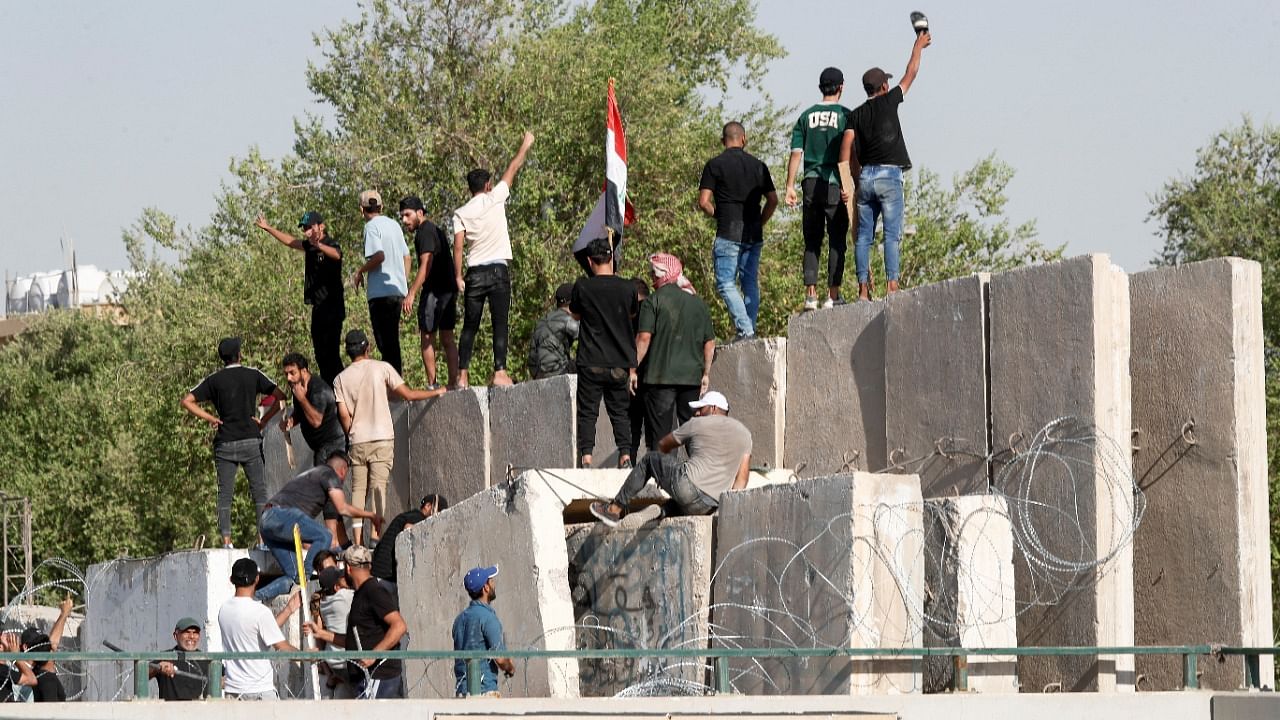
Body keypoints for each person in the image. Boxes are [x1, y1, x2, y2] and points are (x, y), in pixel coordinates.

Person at [840, 30, 932, 300]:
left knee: (863, 238)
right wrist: (918, 45)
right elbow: (911, 72)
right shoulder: (890, 101)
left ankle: (863, 290)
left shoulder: (855, 114)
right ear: (883, 88)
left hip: (865, 177)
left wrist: (851, 178)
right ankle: (892, 286)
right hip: (890, 176)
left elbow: (846, 149)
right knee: (891, 235)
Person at [334, 329, 444, 546]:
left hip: (357, 440)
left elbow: (344, 415)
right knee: (378, 487)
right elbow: (409, 395)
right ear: (368, 348)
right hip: (381, 437)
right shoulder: (381, 368)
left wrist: (353, 434)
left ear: (348, 352)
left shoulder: (340, 379)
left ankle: (357, 541)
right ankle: (375, 536)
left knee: (358, 489)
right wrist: (437, 391)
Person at [181, 337, 287, 549]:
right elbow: (281, 397)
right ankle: (262, 541)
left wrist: (211, 418)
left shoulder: (214, 380)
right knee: (259, 492)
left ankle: (227, 542)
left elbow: (187, 401)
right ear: (239, 354)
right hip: (250, 440)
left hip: (225, 443)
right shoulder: (253, 374)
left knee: (225, 494)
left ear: (222, 358)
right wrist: (264, 421)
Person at [590, 390, 751, 526]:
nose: (696, 413)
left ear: (714, 408)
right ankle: (660, 512)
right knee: (684, 503)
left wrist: (662, 473)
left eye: (701, 408)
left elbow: (664, 446)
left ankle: (613, 509)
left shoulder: (697, 423)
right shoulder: (744, 434)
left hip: (688, 486)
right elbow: (741, 480)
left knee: (650, 460)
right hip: (710, 504)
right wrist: (726, 513)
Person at [453, 131, 536, 388]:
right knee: (500, 322)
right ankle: (500, 372)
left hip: (475, 272)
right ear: (488, 185)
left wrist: (458, 276)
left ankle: (462, 375)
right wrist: (525, 144)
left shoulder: (461, 212)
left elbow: (458, 247)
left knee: (470, 325)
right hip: (498, 270)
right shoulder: (496, 197)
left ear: (470, 188)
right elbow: (514, 166)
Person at [255, 451, 384, 602]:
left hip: (267, 524)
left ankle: (254, 598)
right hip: (278, 514)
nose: (342, 481)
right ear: (343, 470)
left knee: (294, 578)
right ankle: (307, 576)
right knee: (325, 535)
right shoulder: (329, 474)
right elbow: (342, 508)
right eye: (345, 475)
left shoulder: (313, 475)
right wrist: (371, 515)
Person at [697, 121, 778, 342]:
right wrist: (760, 222)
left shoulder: (715, 165)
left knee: (725, 283)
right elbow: (773, 200)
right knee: (749, 282)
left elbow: (704, 202)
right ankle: (748, 329)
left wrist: (718, 214)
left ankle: (746, 331)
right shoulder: (758, 165)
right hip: (753, 233)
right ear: (744, 139)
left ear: (724, 141)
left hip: (728, 232)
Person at [785, 67, 852, 311]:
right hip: (834, 183)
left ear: (820, 88)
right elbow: (851, 154)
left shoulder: (806, 116)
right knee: (836, 241)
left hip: (810, 183)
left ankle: (810, 295)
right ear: (841, 87)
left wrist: (790, 186)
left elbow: (796, 154)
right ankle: (832, 295)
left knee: (812, 241)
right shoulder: (846, 115)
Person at [570, 238, 639, 469]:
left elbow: (576, 314)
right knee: (620, 412)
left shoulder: (582, 286)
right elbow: (631, 314)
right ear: (612, 258)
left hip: (591, 360)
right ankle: (626, 456)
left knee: (588, 412)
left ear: (590, 261)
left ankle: (587, 458)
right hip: (619, 361)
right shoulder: (629, 287)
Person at [633, 253, 715, 447]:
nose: (651, 277)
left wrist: (632, 369)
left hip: (659, 379)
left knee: (661, 436)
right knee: (692, 431)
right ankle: (699, 469)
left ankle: (663, 475)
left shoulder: (653, 302)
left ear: (662, 274)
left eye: (653, 273)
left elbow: (644, 339)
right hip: (691, 378)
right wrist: (706, 374)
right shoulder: (698, 304)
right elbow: (710, 344)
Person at [305, 546, 407, 699]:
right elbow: (352, 640)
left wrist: (374, 654)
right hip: (364, 676)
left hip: (378, 675)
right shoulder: (360, 593)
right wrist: (320, 633)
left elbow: (399, 626)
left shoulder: (374, 591)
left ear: (348, 568)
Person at [255, 212, 346, 383]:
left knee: (331, 353)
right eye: (305, 229)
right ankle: (330, 390)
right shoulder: (309, 245)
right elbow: (290, 241)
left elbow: (337, 254)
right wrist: (268, 228)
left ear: (321, 226)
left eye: (310, 227)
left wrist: (319, 245)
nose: (307, 232)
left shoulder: (329, 243)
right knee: (320, 354)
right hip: (318, 307)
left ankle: (342, 390)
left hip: (332, 306)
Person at [281, 352, 350, 548]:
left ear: (304, 370)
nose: (289, 378)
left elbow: (316, 420)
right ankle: (343, 541)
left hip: (333, 446)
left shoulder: (318, 389)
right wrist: (290, 421)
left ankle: (332, 540)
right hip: (321, 448)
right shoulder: (298, 389)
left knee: (327, 491)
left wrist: (302, 399)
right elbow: (302, 414)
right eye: (286, 374)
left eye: (292, 373)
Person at [217, 558, 301, 700]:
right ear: (257, 579)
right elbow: (281, 646)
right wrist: (308, 656)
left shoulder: (224, 609)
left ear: (231, 579)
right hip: (260, 692)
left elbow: (257, 630)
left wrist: (288, 610)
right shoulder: (260, 612)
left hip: (234, 692)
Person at [399, 196, 460, 389]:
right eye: (402, 217)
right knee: (447, 338)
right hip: (449, 290)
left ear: (420, 213)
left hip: (436, 291)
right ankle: (453, 384)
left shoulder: (424, 232)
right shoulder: (435, 230)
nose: (405, 221)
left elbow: (426, 264)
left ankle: (433, 384)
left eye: (407, 215)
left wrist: (412, 293)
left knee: (427, 337)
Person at [352, 189, 411, 374]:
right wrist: (403, 283)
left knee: (385, 342)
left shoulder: (370, 227)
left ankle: (394, 387)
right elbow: (407, 257)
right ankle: (395, 384)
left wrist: (360, 270)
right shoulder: (394, 225)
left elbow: (379, 256)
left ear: (362, 210)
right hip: (396, 291)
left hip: (380, 293)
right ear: (381, 206)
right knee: (392, 340)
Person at [452, 566, 514, 697]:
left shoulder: (459, 620)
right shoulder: (488, 618)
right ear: (486, 588)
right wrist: (510, 668)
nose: (494, 584)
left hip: (462, 692)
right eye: (491, 581)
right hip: (485, 691)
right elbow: (501, 659)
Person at [371, 493, 449, 587]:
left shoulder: (409, 515)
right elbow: (408, 529)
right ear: (427, 506)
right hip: (387, 577)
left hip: (379, 573)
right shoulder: (418, 518)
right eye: (438, 512)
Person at [19, 595, 73, 702]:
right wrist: (63, 614)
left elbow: (52, 645)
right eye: (39, 644)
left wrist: (64, 614)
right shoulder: (21, 670)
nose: (45, 648)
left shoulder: (41, 670)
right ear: (25, 647)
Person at [312, 566, 355, 699]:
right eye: (342, 580)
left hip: (333, 662)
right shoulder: (344, 597)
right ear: (336, 587)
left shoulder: (324, 603)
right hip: (347, 662)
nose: (345, 580)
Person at [149, 617, 211, 701]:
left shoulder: (208, 660)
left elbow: (225, 679)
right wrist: (157, 668)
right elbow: (142, 674)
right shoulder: (166, 657)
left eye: (195, 633)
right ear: (175, 636)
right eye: (187, 632)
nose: (192, 636)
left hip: (202, 711)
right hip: (170, 712)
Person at [526, 283, 578, 380]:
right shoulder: (567, 320)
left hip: (537, 374)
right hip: (557, 371)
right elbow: (590, 337)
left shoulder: (543, 320)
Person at [0, 630, 34, 702]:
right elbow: (31, 679)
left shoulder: (4, 668)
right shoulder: (2, 670)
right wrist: (16, 656)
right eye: (9, 640)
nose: (14, 644)